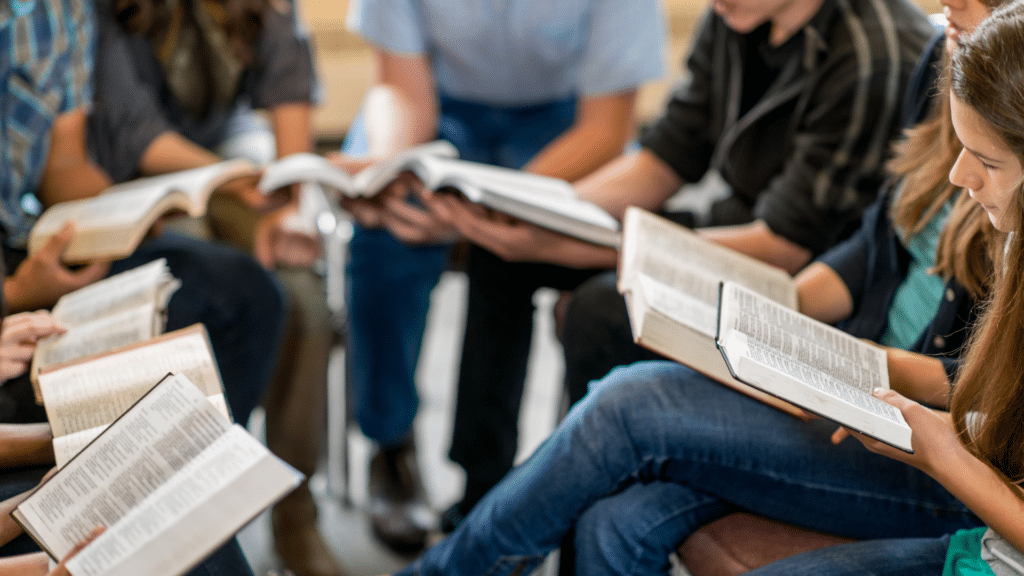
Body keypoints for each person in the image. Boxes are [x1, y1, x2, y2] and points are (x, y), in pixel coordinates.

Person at [383, 0, 1009, 572]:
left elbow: (978, 383)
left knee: (629, 405)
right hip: (874, 374)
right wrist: (777, 314)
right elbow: (875, 247)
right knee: (616, 518)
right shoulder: (947, 61)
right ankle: (480, 492)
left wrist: (859, 365)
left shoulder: (900, 65)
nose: (948, 7)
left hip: (921, 430)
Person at [332, 0, 668, 552]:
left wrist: (497, 207)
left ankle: (582, 465)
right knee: (385, 239)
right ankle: (391, 444)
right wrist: (396, 171)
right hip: (439, 106)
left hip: (565, 121)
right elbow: (402, 87)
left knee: (564, 252)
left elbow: (607, 128)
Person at [719, 3, 1024, 574]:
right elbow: (876, 242)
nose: (959, 176)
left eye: (984, 158)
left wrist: (939, 448)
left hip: (976, 498)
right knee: (631, 488)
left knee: (636, 407)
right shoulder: (1015, 235)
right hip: (983, 511)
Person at [85, 1, 344, 574]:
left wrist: (290, 202)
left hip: (230, 166)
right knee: (200, 287)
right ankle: (192, 509)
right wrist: (237, 183)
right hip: (129, 181)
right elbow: (135, 134)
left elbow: (288, 87)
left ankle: (294, 518)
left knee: (304, 300)